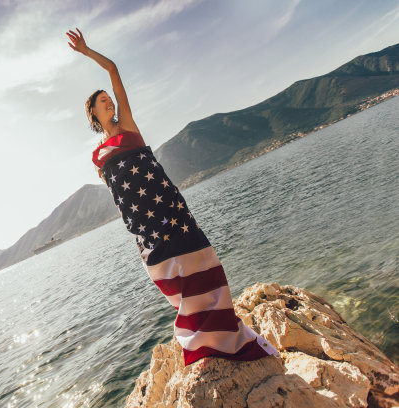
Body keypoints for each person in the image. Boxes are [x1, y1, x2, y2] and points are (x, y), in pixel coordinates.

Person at [66, 28, 279, 366]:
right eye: (102, 101)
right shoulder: (97, 157)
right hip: (143, 225)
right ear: (92, 113)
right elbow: (119, 194)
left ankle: (223, 334)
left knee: (197, 265)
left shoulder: (129, 129)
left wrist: (88, 51)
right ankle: (202, 337)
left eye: (110, 99)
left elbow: (114, 71)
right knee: (173, 278)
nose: (109, 101)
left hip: (167, 208)